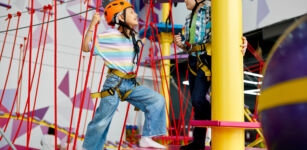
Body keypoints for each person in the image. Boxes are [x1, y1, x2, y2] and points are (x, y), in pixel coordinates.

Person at [82, 0, 167, 149]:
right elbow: (86, 48)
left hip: (130, 83)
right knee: (101, 122)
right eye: (131, 12)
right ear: (121, 18)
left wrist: (144, 35)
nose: (135, 14)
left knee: (157, 100)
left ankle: (146, 138)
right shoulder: (110, 35)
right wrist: (92, 25)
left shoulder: (132, 37)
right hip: (114, 83)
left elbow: (134, 50)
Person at [174, 0, 248, 149]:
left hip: (206, 59)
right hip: (193, 60)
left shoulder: (211, 10)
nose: (184, 1)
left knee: (198, 100)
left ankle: (219, 133)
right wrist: (183, 45)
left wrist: (241, 40)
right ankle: (198, 143)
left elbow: (228, 25)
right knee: (197, 104)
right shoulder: (190, 17)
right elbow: (191, 46)